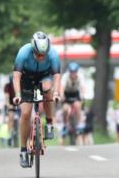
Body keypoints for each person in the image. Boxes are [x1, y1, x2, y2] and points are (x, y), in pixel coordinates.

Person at [11, 31, 61, 167]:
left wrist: (56, 93)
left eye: (44, 54)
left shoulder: (53, 54)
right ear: (33, 49)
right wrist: (17, 95)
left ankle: (49, 122)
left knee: (48, 89)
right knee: (25, 114)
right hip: (26, 78)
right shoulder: (23, 52)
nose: (41, 57)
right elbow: (16, 76)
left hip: (45, 76)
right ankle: (23, 150)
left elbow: (56, 76)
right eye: (38, 54)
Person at [59, 61, 84, 142]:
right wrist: (62, 96)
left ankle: (79, 124)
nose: (73, 73)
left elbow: (83, 87)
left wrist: (83, 95)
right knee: (65, 109)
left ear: (77, 71)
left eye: (74, 72)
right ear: (69, 71)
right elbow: (62, 87)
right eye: (71, 72)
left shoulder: (80, 76)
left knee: (78, 106)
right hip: (66, 94)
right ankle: (65, 125)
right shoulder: (65, 77)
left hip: (75, 93)